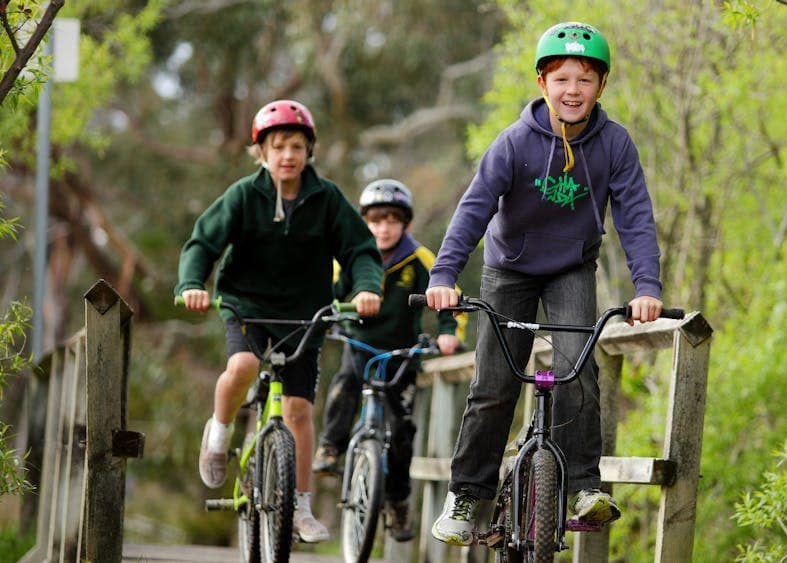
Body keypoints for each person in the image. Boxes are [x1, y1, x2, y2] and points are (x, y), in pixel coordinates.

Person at [423, 22, 665, 546]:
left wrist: (647, 288)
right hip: (508, 268)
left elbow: (636, 218)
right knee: (494, 385)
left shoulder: (615, 145)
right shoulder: (513, 144)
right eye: (561, 79)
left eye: (585, 79)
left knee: (579, 368)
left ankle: (583, 487)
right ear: (542, 83)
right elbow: (473, 209)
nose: (572, 90)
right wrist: (443, 275)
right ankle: (465, 495)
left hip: (570, 268)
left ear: (601, 86)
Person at [175, 99, 383, 544]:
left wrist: (367, 288)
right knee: (243, 365)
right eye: (278, 147)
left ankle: (300, 507)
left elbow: (360, 250)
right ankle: (219, 433)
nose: (287, 155)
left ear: (309, 152)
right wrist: (192, 283)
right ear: (262, 153)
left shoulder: (326, 199)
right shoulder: (243, 195)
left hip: (304, 312)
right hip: (246, 304)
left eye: (296, 146)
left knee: (299, 409)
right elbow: (202, 243)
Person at [311, 178, 465, 542]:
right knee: (346, 384)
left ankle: (397, 502)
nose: (384, 228)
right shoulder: (351, 256)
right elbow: (325, 294)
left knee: (401, 432)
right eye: (376, 221)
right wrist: (324, 318)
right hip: (359, 343)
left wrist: (449, 333)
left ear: (406, 224)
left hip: (401, 354)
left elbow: (450, 298)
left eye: (392, 221)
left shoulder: (419, 258)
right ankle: (330, 447)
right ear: (364, 222)